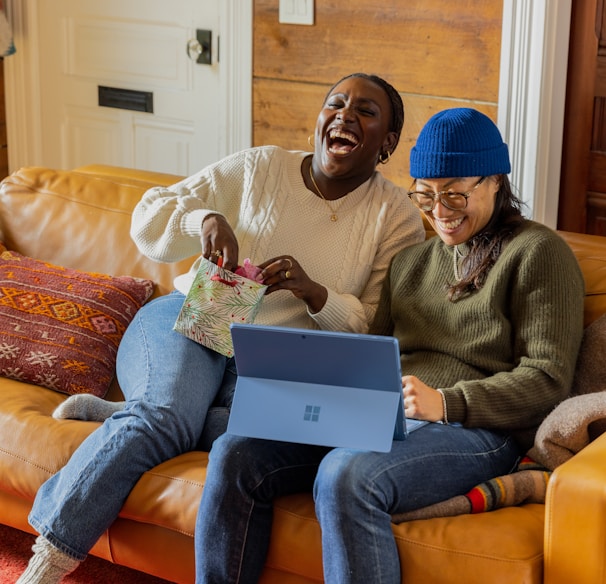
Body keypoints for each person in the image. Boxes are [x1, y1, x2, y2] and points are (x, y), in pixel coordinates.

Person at [16, 73, 426, 584]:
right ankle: (46, 562)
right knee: (166, 417)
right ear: (320, 119)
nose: (345, 115)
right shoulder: (260, 167)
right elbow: (149, 216)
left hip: (278, 358)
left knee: (255, 433)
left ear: (387, 143)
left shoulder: (398, 218)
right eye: (336, 104)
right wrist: (204, 221)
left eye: (366, 111)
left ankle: (126, 413)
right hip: (193, 316)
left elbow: (372, 325)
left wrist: (314, 292)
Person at [193, 107, 586, 583]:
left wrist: (447, 403)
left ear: (495, 182)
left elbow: (547, 379)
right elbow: (372, 355)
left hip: (478, 429)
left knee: (346, 474)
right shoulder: (411, 264)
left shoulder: (539, 252)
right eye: (426, 195)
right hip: (385, 415)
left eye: (455, 194)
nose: (439, 212)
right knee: (236, 449)